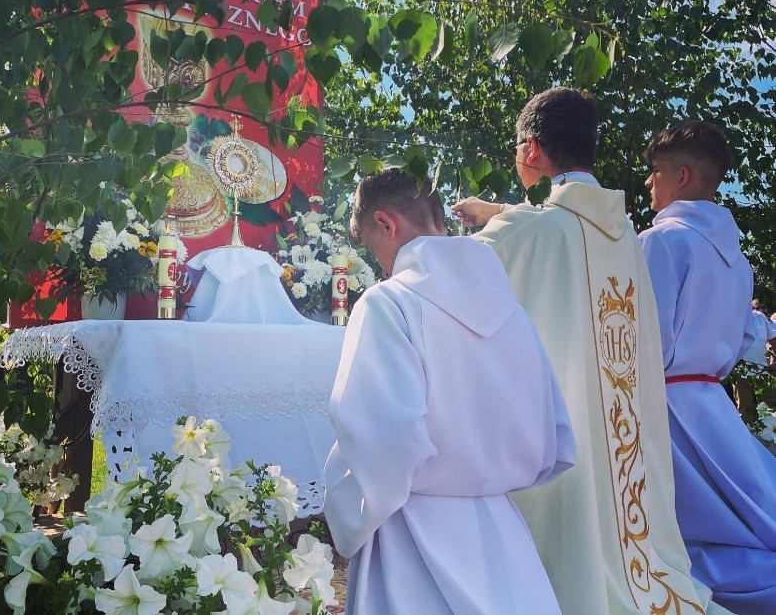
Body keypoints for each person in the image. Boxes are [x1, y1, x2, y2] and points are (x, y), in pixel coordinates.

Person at [453, 88, 728, 614]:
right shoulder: (624, 233)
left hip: (565, 443)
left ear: (531, 150)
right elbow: (550, 227)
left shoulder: (527, 232)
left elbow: (450, 285)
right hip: (627, 441)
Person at [323, 168, 576, 614]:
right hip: (503, 538)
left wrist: (345, 509)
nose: (379, 263)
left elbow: (383, 440)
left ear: (386, 224)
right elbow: (555, 434)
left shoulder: (388, 303)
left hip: (412, 538)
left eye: (371, 246)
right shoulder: (511, 310)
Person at [638, 120, 776, 614]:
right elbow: (745, 337)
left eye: (654, 172)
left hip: (666, 404)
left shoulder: (662, 242)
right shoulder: (737, 261)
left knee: (674, 534)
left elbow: (640, 337)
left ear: (681, 176)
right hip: (712, 403)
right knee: (749, 516)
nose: (647, 183)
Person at [733, 299, 776, 419]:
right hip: (740, 373)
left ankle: (769, 438)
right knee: (745, 410)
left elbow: (773, 341)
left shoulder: (760, 317)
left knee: (769, 410)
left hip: (763, 372)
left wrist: (774, 360)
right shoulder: (732, 317)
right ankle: (747, 436)